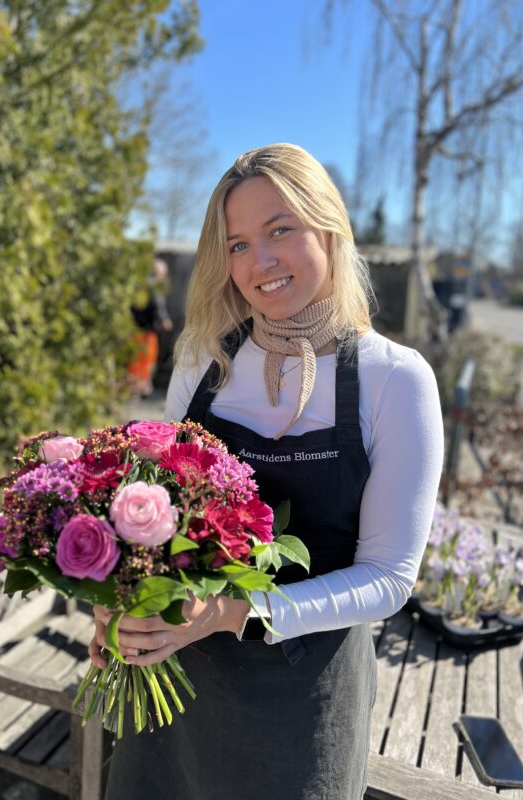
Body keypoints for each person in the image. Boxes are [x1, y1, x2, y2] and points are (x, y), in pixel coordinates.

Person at [91, 143, 444, 800]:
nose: (260, 262)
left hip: (300, 706)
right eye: (238, 244)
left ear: (328, 227)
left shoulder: (394, 380)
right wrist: (122, 608)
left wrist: (229, 613)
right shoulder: (201, 360)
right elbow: (151, 515)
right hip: (179, 690)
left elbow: (389, 580)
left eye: (280, 229)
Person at [127, 258, 173, 397]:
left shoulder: (139, 284)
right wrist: (164, 319)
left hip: (135, 329)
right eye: (164, 274)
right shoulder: (153, 286)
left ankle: (136, 388)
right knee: (145, 361)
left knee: (135, 361)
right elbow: (157, 304)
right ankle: (142, 389)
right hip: (146, 330)